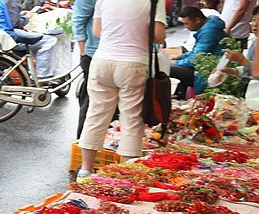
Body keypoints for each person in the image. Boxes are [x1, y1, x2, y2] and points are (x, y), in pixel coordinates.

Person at [78, 0, 166, 181]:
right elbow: (158, 36)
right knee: (131, 119)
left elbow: (97, 32)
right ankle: (126, 175)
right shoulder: (154, 1)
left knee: (96, 114)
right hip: (133, 63)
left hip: (102, 61)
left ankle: (85, 169)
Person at [0, 0, 57, 78]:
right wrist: (27, 18)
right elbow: (16, 23)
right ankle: (42, 75)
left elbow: (1, 16)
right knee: (49, 40)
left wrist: (20, 15)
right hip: (5, 37)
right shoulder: (10, 1)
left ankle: (31, 70)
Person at [170, 6, 225, 99]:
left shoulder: (209, 31)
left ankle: (180, 97)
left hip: (206, 72)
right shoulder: (208, 27)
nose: (185, 27)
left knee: (169, 69)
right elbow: (198, 51)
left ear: (197, 20)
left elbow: (196, 58)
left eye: (187, 23)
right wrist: (180, 57)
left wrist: (175, 63)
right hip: (205, 66)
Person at [72, 0, 99, 139]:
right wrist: (83, 52)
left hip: (104, 53)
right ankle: (82, 141)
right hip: (93, 53)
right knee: (91, 103)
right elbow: (78, 20)